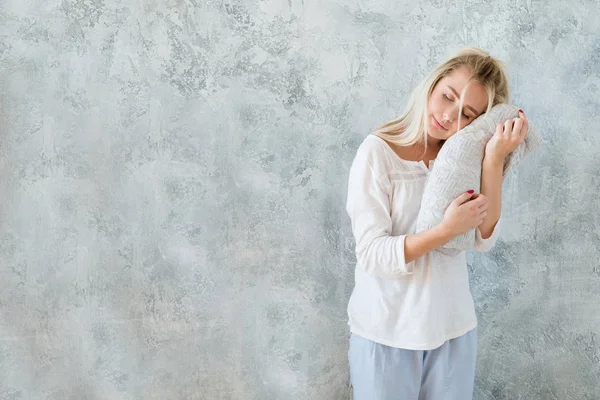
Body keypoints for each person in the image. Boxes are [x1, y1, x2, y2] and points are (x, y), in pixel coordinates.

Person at [345, 47, 529, 400]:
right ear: (433, 83)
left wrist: (492, 158)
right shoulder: (377, 153)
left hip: (453, 330)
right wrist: (444, 230)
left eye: (466, 114)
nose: (448, 115)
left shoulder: (461, 160)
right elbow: (372, 255)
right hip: (387, 335)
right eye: (447, 96)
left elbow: (483, 237)